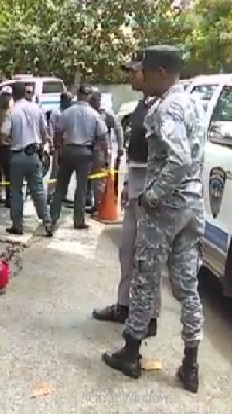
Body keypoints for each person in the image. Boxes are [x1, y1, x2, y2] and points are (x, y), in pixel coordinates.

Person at [102, 45, 206, 394]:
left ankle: (131, 353)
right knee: (187, 285)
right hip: (191, 205)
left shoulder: (168, 108)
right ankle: (190, 364)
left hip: (166, 207)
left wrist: (153, 195)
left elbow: (178, 159)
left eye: (145, 70)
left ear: (161, 72)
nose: (141, 76)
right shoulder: (192, 102)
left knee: (145, 277)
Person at [92, 53, 161, 331]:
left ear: (150, 73)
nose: (130, 76)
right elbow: (136, 153)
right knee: (127, 252)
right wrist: (127, 185)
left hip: (152, 187)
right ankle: (124, 305)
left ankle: (148, 316)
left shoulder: (163, 107)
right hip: (136, 183)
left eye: (134, 71)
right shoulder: (141, 106)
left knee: (147, 257)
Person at [49, 85, 107, 229]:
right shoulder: (94, 114)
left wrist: (58, 149)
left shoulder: (67, 112)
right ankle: (79, 220)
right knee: (81, 188)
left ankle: (52, 218)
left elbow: (58, 132)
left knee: (60, 187)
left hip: (68, 151)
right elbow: (102, 135)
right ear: (88, 96)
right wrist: (100, 154)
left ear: (78, 95)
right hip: (85, 153)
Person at [2, 83, 53, 236]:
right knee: (38, 190)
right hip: (33, 154)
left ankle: (17, 225)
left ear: (13, 95)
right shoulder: (36, 109)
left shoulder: (12, 112)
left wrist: (12, 140)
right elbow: (45, 133)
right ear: (25, 93)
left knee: (16, 191)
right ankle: (47, 222)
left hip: (17, 155)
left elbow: (4, 134)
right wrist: (42, 146)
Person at [87, 90, 124, 213]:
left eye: (95, 100)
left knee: (100, 179)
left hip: (102, 150)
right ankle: (91, 201)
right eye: (91, 100)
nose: (93, 102)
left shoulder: (106, 114)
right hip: (88, 149)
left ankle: (100, 205)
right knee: (89, 178)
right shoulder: (88, 112)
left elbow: (118, 129)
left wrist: (120, 147)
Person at [47, 91, 74, 202]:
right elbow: (51, 129)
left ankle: (63, 193)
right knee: (55, 170)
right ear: (63, 101)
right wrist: (52, 145)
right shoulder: (56, 112)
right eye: (68, 100)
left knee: (66, 170)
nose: (70, 102)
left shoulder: (71, 112)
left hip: (68, 144)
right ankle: (50, 193)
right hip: (58, 144)